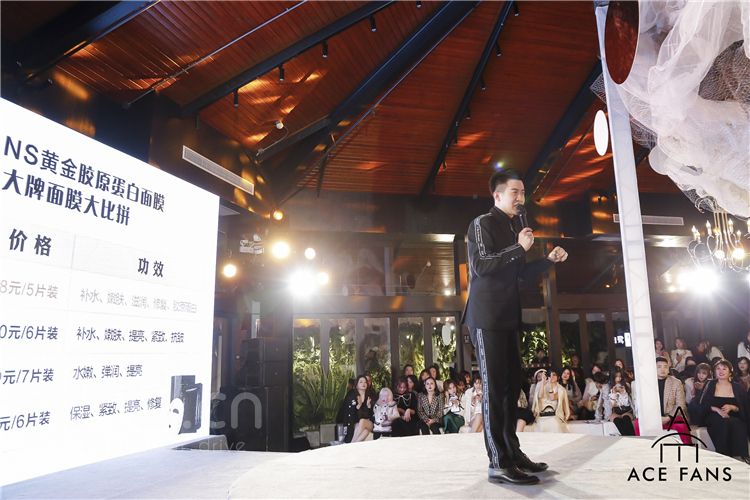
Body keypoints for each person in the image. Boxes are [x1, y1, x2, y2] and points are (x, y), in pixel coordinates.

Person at [462, 169, 569, 485]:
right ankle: (498, 462)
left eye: (523, 192)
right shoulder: (482, 223)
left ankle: (513, 452)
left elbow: (520, 274)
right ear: (497, 195)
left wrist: (548, 260)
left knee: (511, 389)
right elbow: (481, 265)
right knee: (495, 390)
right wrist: (519, 248)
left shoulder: (515, 229)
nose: (521, 198)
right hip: (486, 318)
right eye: (514, 192)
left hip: (509, 317)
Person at [691, 360, 750, 463]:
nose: (721, 371)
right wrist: (717, 409)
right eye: (718, 368)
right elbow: (700, 404)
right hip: (712, 414)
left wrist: (733, 407)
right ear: (714, 371)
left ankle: (741, 456)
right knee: (722, 422)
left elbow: (744, 407)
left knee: (738, 423)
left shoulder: (737, 387)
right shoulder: (709, 384)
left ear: (730, 372)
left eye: (724, 369)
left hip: (733, 415)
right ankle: (724, 455)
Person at [655, 357, 690, 444]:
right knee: (638, 424)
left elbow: (680, 404)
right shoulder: (648, 383)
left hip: (672, 416)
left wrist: (668, 418)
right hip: (654, 418)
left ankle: (687, 449)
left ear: (668, 369)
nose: (662, 369)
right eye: (659, 367)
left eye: (665, 366)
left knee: (680, 426)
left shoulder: (676, 382)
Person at [340, 375, 374, 443]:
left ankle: (351, 444)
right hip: (359, 423)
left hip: (369, 423)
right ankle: (354, 444)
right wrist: (358, 406)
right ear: (356, 385)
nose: (363, 384)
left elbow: (369, 416)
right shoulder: (353, 395)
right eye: (361, 382)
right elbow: (352, 417)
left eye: (365, 382)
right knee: (365, 432)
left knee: (362, 421)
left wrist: (368, 407)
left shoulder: (369, 396)